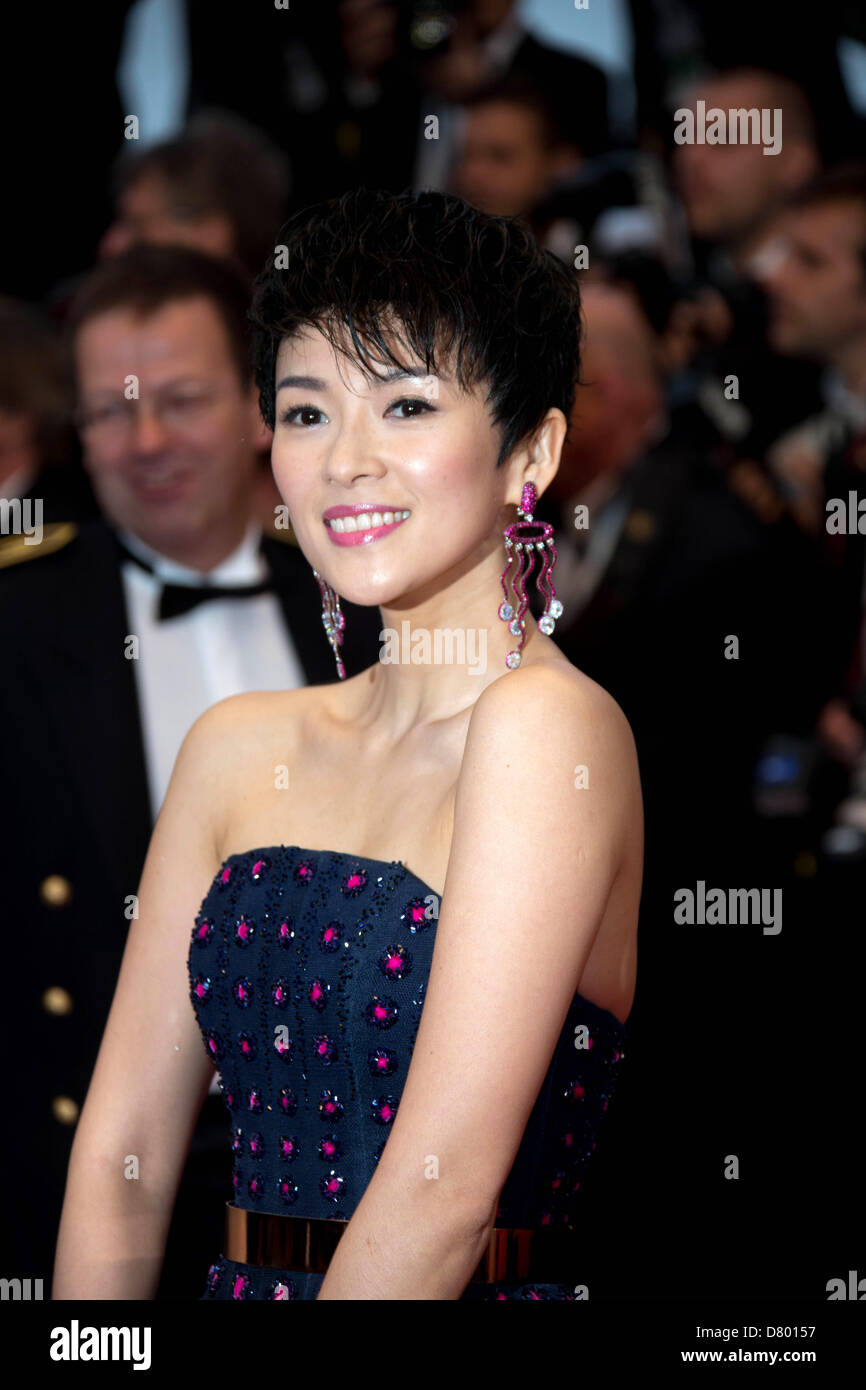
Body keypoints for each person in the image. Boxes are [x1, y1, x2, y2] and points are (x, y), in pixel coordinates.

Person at [52, 187, 642, 1302]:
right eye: (309, 411)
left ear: (532, 450)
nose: (346, 461)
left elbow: (441, 1188)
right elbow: (121, 1154)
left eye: (407, 406)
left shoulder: (546, 728)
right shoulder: (234, 746)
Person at [0, 244, 380, 1297]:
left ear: (265, 407)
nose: (148, 440)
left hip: (355, 1176)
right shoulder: (18, 621)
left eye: (181, 399)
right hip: (86, 1178)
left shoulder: (377, 596)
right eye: (113, 412)